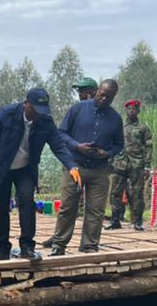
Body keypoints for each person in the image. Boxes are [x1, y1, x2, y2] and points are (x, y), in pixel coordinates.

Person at [0, 88, 78, 262]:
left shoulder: (45, 121)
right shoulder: (6, 114)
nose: (38, 114)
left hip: (25, 169)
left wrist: (72, 166)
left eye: (42, 111)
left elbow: (58, 145)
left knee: (27, 202)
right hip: (1, 168)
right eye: (35, 110)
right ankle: (2, 249)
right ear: (26, 103)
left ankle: (27, 247)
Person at [45, 78, 123, 255]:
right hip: (75, 166)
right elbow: (61, 133)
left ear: (113, 98)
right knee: (67, 206)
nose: (104, 99)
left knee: (96, 210)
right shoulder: (77, 109)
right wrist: (77, 146)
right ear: (97, 91)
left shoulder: (116, 119)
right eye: (102, 95)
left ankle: (89, 245)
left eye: (109, 97)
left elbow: (119, 144)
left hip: (100, 169)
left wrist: (107, 153)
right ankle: (59, 245)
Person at [108, 99, 153, 231]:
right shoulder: (119, 127)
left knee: (137, 193)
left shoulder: (143, 128)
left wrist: (147, 165)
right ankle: (115, 220)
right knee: (115, 192)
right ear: (126, 111)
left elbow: (149, 146)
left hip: (137, 163)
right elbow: (112, 144)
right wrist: (110, 161)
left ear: (138, 111)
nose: (131, 111)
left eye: (134, 109)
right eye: (129, 109)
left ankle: (137, 221)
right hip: (120, 162)